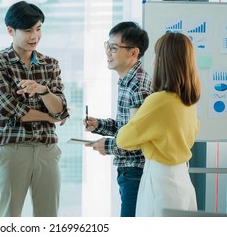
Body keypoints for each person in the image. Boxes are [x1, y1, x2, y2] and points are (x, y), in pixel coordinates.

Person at [0, 1, 69, 217]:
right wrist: (48, 117)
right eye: (28, 30)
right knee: (9, 217)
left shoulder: (50, 64)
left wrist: (42, 91)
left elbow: (60, 110)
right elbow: (7, 108)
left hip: (47, 150)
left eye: (38, 29)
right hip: (14, 149)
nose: (35, 36)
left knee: (48, 217)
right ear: (10, 31)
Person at [116, 32, 200, 216]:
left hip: (160, 179)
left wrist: (142, 135)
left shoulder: (159, 101)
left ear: (162, 60)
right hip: (182, 179)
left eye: (155, 54)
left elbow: (123, 139)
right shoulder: (188, 100)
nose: (152, 60)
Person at [84, 21, 152, 217]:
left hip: (134, 171)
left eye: (114, 48)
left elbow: (138, 140)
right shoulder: (127, 80)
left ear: (133, 53)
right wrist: (99, 125)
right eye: (108, 46)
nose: (108, 53)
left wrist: (107, 147)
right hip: (128, 170)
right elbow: (127, 128)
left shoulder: (138, 86)